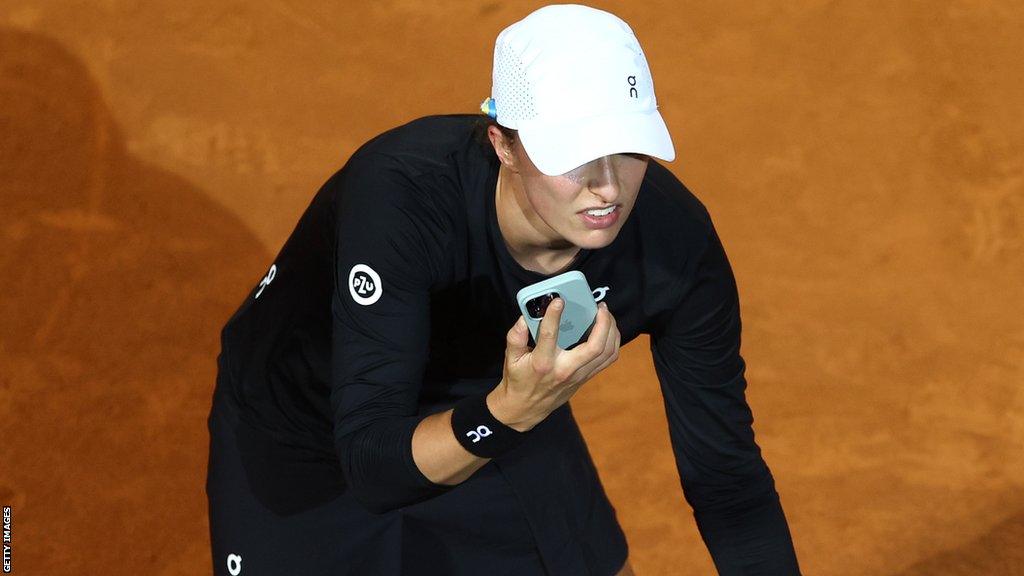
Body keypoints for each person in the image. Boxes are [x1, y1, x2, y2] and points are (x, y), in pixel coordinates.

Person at [206, 4, 801, 575]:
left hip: (501, 404)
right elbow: (372, 467)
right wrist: (512, 411)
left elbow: (727, 480)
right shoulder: (401, 197)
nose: (608, 188)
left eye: (627, 147)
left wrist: (511, 409)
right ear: (504, 145)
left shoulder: (676, 246)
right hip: (308, 433)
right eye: (574, 155)